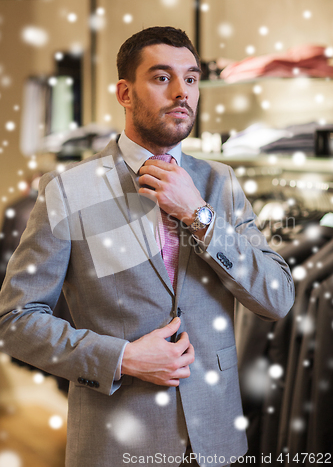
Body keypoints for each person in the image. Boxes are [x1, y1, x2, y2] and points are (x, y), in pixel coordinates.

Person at [0, 26, 294, 467]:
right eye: (162, 78)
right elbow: (16, 320)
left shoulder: (220, 185)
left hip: (217, 445)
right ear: (125, 92)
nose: (182, 93)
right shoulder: (68, 190)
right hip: (116, 446)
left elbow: (277, 297)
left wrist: (200, 216)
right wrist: (123, 358)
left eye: (191, 79)